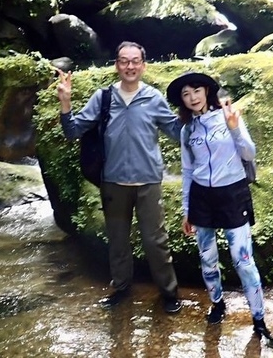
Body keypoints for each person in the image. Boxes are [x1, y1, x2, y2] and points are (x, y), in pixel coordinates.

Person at [57, 41, 183, 314]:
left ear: (143, 66)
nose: (130, 66)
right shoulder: (103, 98)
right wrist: (65, 101)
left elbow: (177, 131)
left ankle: (169, 292)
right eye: (124, 61)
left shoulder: (153, 98)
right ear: (117, 65)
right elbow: (73, 130)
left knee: (155, 241)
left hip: (148, 181)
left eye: (135, 61)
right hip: (113, 181)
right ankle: (122, 288)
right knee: (117, 240)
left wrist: (200, 113)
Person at [166, 72, 273, 348]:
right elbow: (188, 171)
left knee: (243, 260)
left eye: (196, 91)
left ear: (207, 91)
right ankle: (217, 304)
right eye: (186, 94)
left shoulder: (229, 117)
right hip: (202, 198)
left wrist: (235, 128)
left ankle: (259, 320)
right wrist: (187, 210)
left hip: (232, 194)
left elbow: (249, 154)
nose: (192, 98)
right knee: (207, 258)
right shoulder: (187, 130)